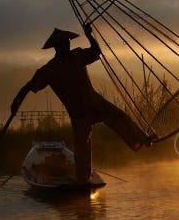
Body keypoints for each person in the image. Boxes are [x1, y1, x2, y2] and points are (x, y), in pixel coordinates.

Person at [12, 25, 154, 183]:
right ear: (56, 47)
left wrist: (89, 36)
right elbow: (30, 85)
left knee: (119, 117)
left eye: (67, 42)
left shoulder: (77, 55)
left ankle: (142, 139)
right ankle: (82, 180)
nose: (67, 45)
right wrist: (16, 101)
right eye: (63, 44)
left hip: (94, 102)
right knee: (82, 147)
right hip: (79, 114)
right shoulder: (50, 70)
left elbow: (96, 51)